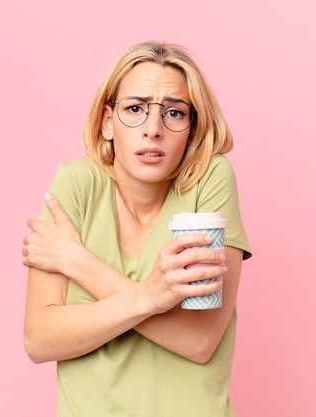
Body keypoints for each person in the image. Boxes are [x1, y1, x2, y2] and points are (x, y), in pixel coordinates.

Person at [22, 41, 252, 417]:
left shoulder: (209, 181)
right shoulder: (75, 185)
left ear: (192, 129)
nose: (153, 130)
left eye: (174, 113)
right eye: (134, 109)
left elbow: (199, 340)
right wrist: (152, 296)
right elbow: (39, 340)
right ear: (107, 122)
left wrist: (77, 262)